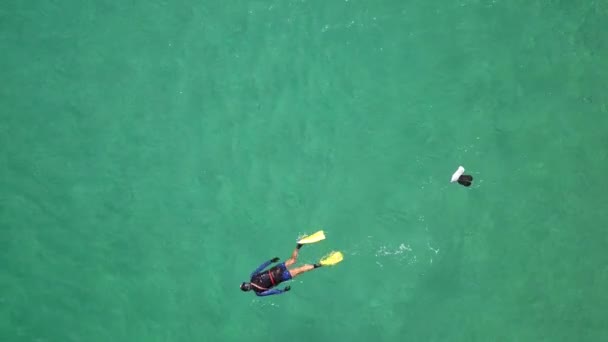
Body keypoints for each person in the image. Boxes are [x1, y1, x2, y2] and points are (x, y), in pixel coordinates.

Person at [240, 243, 321, 296]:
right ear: (247, 283)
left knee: (300, 270)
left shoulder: (258, 293)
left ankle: (318, 265)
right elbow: (261, 267)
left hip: (280, 277)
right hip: (276, 269)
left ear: (248, 290)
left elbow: (272, 292)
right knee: (293, 260)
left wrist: (283, 291)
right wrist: (271, 261)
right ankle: (298, 246)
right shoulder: (252, 276)